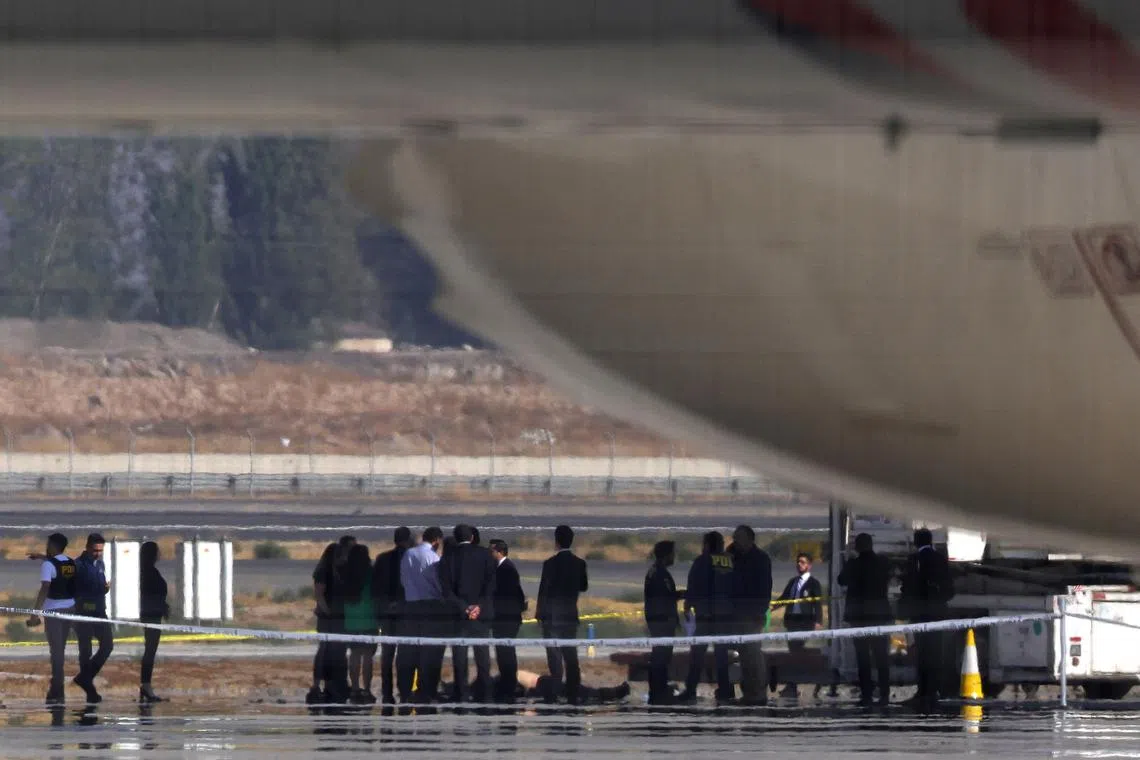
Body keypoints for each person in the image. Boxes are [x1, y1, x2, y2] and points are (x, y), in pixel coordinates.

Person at [438, 524, 497, 703]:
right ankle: (484, 692)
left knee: (460, 656)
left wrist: (464, 607)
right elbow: (492, 585)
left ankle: (461, 692)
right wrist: (479, 606)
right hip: (481, 614)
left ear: (456, 539)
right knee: (483, 656)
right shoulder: (486, 555)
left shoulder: (448, 557)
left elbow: (446, 590)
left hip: (459, 615)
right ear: (472, 537)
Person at [900, 528, 954, 707]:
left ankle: (923, 690)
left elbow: (908, 586)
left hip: (921, 613)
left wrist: (906, 606)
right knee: (936, 652)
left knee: (922, 652)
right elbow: (949, 587)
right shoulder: (940, 558)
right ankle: (935, 689)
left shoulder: (914, 560)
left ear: (916, 542)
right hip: (938, 612)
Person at [837, 532, 893, 706]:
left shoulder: (854, 564)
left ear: (857, 547)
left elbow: (841, 580)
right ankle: (884, 692)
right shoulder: (883, 562)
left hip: (859, 616)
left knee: (863, 656)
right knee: (881, 655)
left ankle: (866, 693)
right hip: (879, 615)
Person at [678, 531, 735, 704]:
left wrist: (688, 605)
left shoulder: (701, 561)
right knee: (722, 655)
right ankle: (725, 690)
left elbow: (694, 585)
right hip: (724, 616)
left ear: (707, 545)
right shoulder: (729, 561)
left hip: (704, 615)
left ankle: (690, 690)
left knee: (697, 654)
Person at [536, 525, 588, 704]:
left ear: (556, 541)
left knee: (554, 656)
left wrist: (539, 614)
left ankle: (556, 691)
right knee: (571, 655)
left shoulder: (549, 564)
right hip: (570, 615)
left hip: (552, 616)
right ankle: (574, 691)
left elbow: (543, 591)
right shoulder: (580, 563)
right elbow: (583, 586)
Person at [28, 533, 76, 705]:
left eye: (48, 544)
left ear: (53, 546)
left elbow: (45, 588)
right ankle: (58, 687)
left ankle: (57, 690)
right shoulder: (70, 562)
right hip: (70, 608)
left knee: (56, 652)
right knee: (60, 649)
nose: (46, 547)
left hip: (53, 611)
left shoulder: (48, 565)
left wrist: (35, 614)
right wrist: (41, 557)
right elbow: (58, 567)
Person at [400, 526, 446, 703]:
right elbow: (438, 584)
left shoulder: (408, 554)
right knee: (429, 652)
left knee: (409, 650)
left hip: (410, 605)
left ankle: (405, 690)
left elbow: (404, 579)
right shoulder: (433, 557)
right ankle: (425, 690)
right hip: (430, 606)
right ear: (436, 540)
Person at [729, 524, 773, 706]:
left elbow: (765, 587)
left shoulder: (760, 559)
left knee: (753, 653)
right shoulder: (734, 558)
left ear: (749, 539)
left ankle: (759, 692)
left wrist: (759, 611)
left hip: (752, 614)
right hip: (737, 613)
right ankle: (748, 691)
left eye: (739, 537)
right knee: (744, 654)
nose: (736, 541)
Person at [310, 535, 355, 704]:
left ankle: (335, 683)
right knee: (325, 650)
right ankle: (318, 685)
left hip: (339, 615)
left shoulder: (343, 569)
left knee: (338, 650)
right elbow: (319, 593)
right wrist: (327, 611)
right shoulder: (325, 570)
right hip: (328, 616)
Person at [775, 552, 823, 698]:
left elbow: (818, 603)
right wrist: (771, 607)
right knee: (793, 652)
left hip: (805, 621)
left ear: (809, 565)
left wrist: (818, 621)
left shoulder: (814, 583)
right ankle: (793, 685)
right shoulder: (793, 582)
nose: (799, 564)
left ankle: (802, 681)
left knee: (797, 651)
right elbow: (784, 598)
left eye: (802, 562)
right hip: (792, 621)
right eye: (798, 562)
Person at [372, 526, 411, 704]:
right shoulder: (411, 559)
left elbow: (375, 588)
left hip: (385, 613)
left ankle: (387, 693)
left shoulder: (382, 559)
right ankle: (404, 691)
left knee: (387, 654)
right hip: (405, 613)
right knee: (404, 655)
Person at [73, 533, 113, 704]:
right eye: (95, 550)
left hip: (100, 612)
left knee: (107, 646)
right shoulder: (78, 565)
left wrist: (104, 589)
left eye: (101, 551)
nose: (98, 553)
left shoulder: (100, 564)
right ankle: (89, 689)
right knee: (85, 650)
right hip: (83, 613)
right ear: (88, 547)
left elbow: (99, 588)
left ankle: (84, 677)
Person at [489, 538, 526, 704]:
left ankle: (509, 683)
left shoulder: (506, 568)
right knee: (503, 651)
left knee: (506, 651)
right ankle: (507, 681)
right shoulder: (503, 568)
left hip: (506, 618)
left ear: (499, 552)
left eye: (491, 551)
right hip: (504, 617)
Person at [644, 540, 681, 705]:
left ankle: (659, 688)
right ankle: (658, 691)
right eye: (673, 553)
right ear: (667, 555)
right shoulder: (659, 574)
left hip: (658, 620)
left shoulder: (656, 572)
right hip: (661, 621)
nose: (674, 556)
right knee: (661, 656)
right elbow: (665, 598)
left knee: (661, 656)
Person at [342, 543, 378, 704]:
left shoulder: (346, 574)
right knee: (368, 655)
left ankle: (355, 688)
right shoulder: (371, 573)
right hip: (369, 618)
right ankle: (367, 689)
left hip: (351, 619)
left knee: (354, 655)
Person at [139, 541, 169, 704]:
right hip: (150, 616)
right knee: (150, 651)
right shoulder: (147, 572)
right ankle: (146, 685)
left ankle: (146, 685)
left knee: (151, 650)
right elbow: (149, 595)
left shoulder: (149, 571)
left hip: (154, 614)